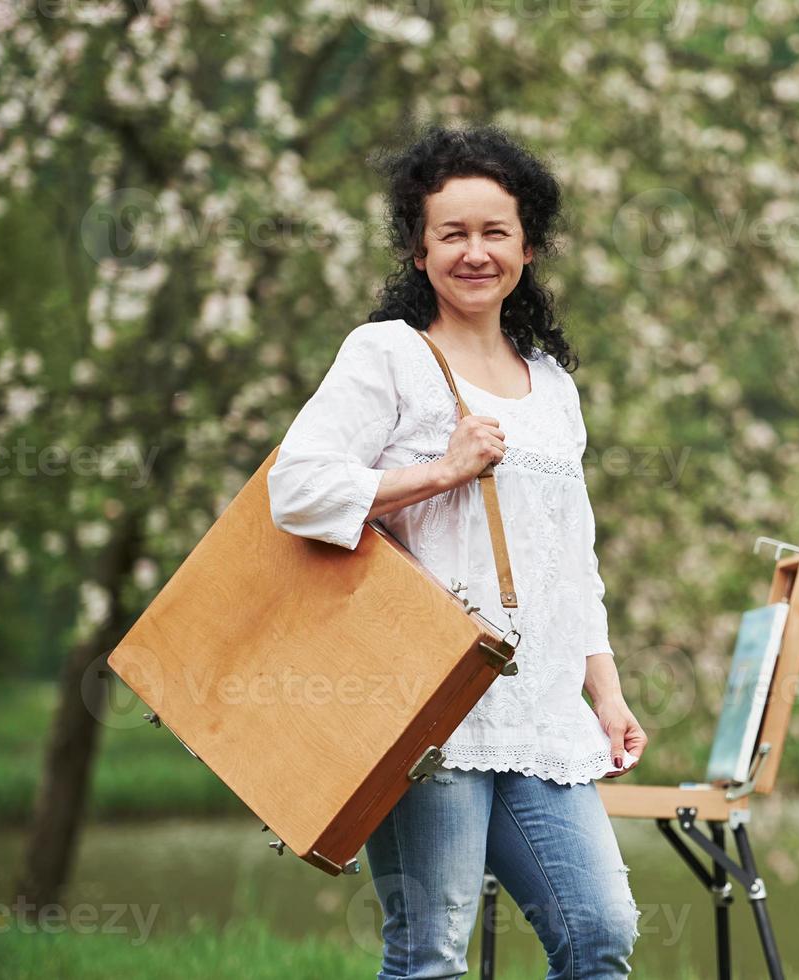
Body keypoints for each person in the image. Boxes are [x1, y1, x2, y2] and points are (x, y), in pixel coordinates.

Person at [267, 122, 646, 979]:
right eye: (453, 233)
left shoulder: (551, 385)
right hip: (425, 706)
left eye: (495, 232)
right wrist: (441, 472)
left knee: (600, 936)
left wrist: (606, 693)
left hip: (545, 714)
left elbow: (571, 558)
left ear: (530, 246)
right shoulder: (388, 356)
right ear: (416, 247)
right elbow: (295, 491)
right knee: (430, 955)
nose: (475, 254)